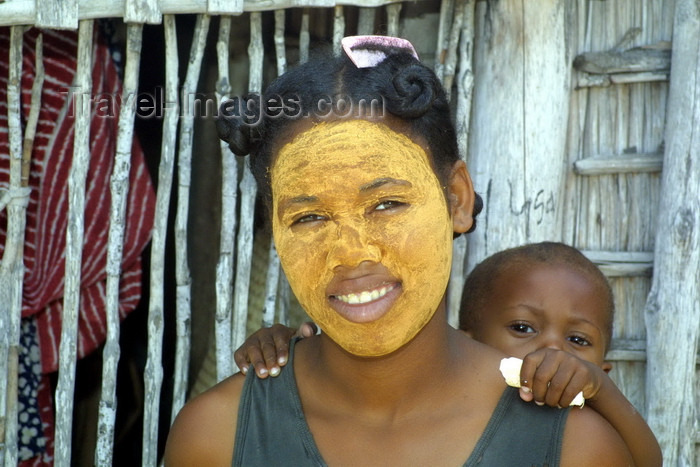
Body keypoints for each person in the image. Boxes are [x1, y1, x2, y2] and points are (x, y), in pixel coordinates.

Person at [164, 36, 633, 466]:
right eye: (309, 217)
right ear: (276, 232)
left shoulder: (573, 446)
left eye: (386, 204)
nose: (350, 252)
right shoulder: (216, 437)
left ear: (457, 199)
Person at [234, 241, 661, 467]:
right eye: (522, 328)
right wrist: (281, 344)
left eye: (579, 341)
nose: (552, 349)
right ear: (467, 340)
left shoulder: (583, 430)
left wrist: (601, 392)